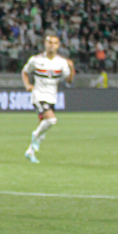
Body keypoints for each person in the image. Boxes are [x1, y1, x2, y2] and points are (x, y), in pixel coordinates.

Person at [21, 32, 75, 163]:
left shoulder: (61, 62)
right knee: (51, 120)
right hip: (39, 96)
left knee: (44, 129)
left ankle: (30, 152)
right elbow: (25, 72)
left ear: (58, 45)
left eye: (55, 43)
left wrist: (72, 68)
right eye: (50, 42)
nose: (52, 45)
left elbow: (68, 81)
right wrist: (27, 85)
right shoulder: (36, 60)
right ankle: (34, 136)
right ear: (45, 44)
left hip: (52, 97)